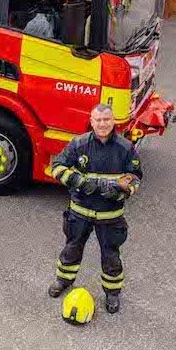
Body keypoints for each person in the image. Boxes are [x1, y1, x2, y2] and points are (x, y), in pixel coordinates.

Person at [48, 104, 142, 313]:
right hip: (80, 211)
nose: (102, 124)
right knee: (71, 249)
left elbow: (135, 178)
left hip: (111, 215)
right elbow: (56, 167)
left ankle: (112, 293)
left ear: (113, 121)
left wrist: (122, 191)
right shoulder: (78, 144)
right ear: (91, 122)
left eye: (106, 120)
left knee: (111, 256)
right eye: (98, 120)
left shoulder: (125, 148)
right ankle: (63, 280)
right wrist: (79, 182)